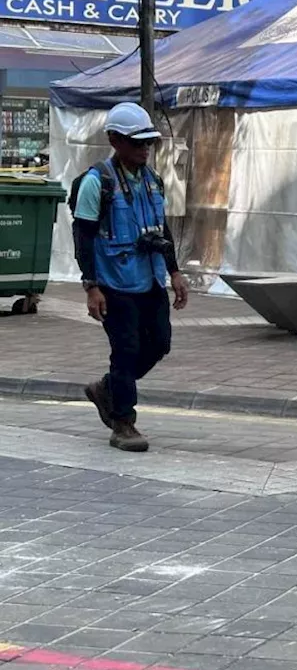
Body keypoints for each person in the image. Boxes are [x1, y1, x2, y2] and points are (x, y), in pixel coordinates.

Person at [74, 102, 189, 452]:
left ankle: (108, 388)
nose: (144, 149)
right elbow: (83, 235)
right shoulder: (97, 183)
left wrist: (174, 270)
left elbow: (162, 228)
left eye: (148, 143)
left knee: (159, 344)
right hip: (113, 283)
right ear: (114, 140)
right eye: (136, 143)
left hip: (150, 279)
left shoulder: (153, 181)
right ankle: (123, 422)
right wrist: (91, 287)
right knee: (125, 350)